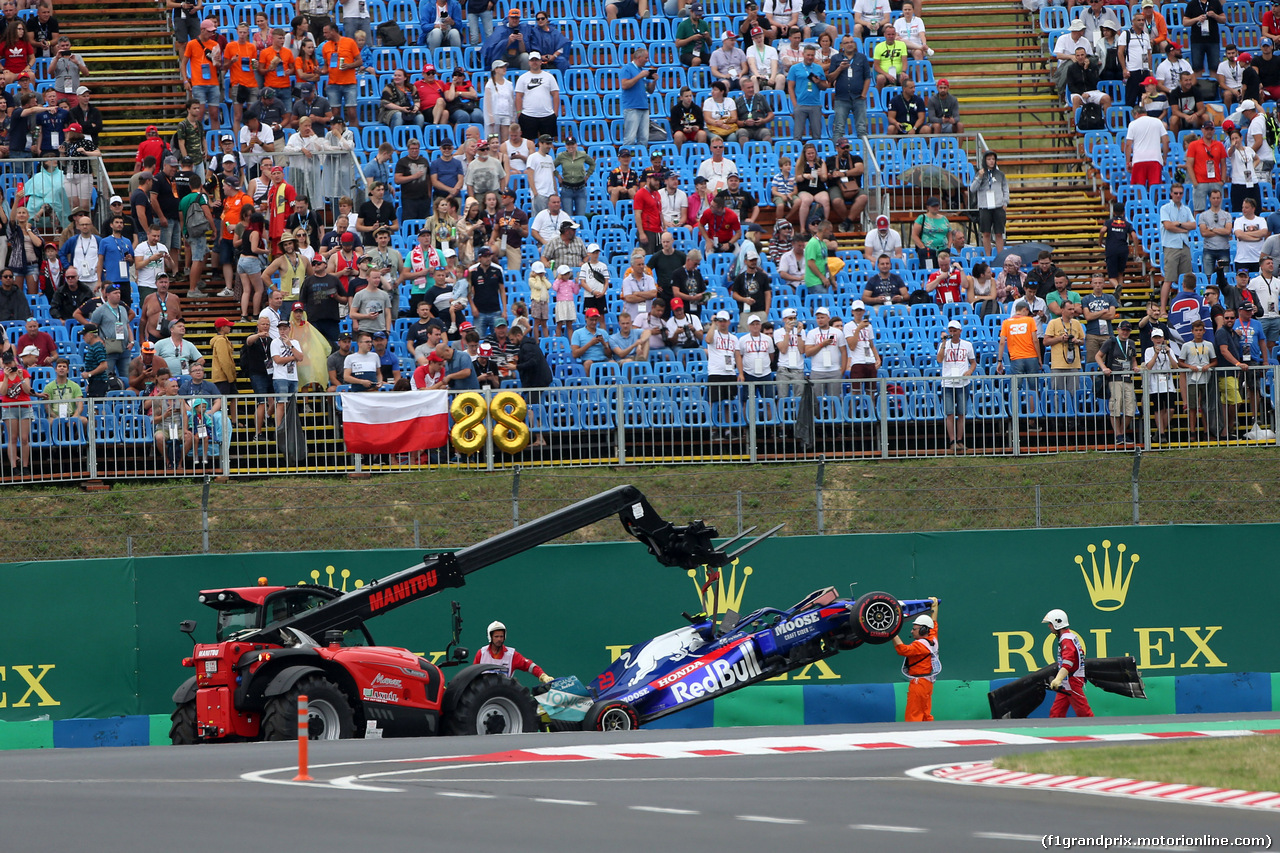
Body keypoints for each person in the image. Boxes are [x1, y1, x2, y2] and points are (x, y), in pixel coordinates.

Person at [892, 598, 939, 722]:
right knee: (925, 715)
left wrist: (892, 631)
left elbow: (902, 650)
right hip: (928, 684)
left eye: (915, 628)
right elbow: (934, 623)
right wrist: (934, 606)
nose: (912, 631)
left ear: (923, 630)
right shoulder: (933, 639)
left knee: (913, 716)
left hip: (918, 684)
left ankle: (913, 738)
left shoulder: (920, 645)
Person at [1042, 608, 1093, 718]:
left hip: (1072, 681)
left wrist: (1058, 679)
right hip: (1068, 681)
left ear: (1057, 623)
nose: (1049, 626)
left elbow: (1068, 662)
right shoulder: (1070, 637)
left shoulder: (1066, 640)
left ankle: (1096, 732)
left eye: (1050, 623)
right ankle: (1054, 734)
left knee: (1084, 714)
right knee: (1056, 713)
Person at [1096, 319, 1138, 444]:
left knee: (1130, 407)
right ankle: (1118, 435)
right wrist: (1104, 368)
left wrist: (1135, 367)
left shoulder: (1131, 343)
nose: (1125, 332)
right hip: (1115, 378)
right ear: (1118, 330)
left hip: (1127, 378)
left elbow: (1133, 359)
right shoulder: (1111, 341)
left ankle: (1122, 433)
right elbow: (1098, 355)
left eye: (1127, 330)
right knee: (1115, 405)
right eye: (1123, 330)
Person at [474, 620, 553, 682]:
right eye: (496, 636)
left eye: (501, 636)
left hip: (505, 694)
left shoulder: (511, 655)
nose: (499, 639)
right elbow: (473, 674)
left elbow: (529, 666)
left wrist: (543, 676)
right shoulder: (481, 653)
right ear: (490, 637)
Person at [828, 34, 871, 138]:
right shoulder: (835, 58)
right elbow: (830, 78)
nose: (849, 44)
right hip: (841, 98)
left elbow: (867, 77)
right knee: (839, 127)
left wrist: (864, 94)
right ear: (842, 45)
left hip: (858, 97)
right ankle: (836, 153)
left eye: (851, 42)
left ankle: (865, 153)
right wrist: (839, 69)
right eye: (846, 43)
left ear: (855, 44)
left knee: (861, 127)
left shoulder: (862, 57)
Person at [1124, 101, 1169, 186]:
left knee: (1139, 186)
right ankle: (1154, 199)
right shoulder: (1157, 121)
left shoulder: (1133, 124)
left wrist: (1127, 162)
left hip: (1139, 159)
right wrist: (1164, 158)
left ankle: (1140, 200)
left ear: (1136, 114)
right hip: (1155, 159)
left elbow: (1128, 144)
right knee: (1155, 186)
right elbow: (1166, 141)